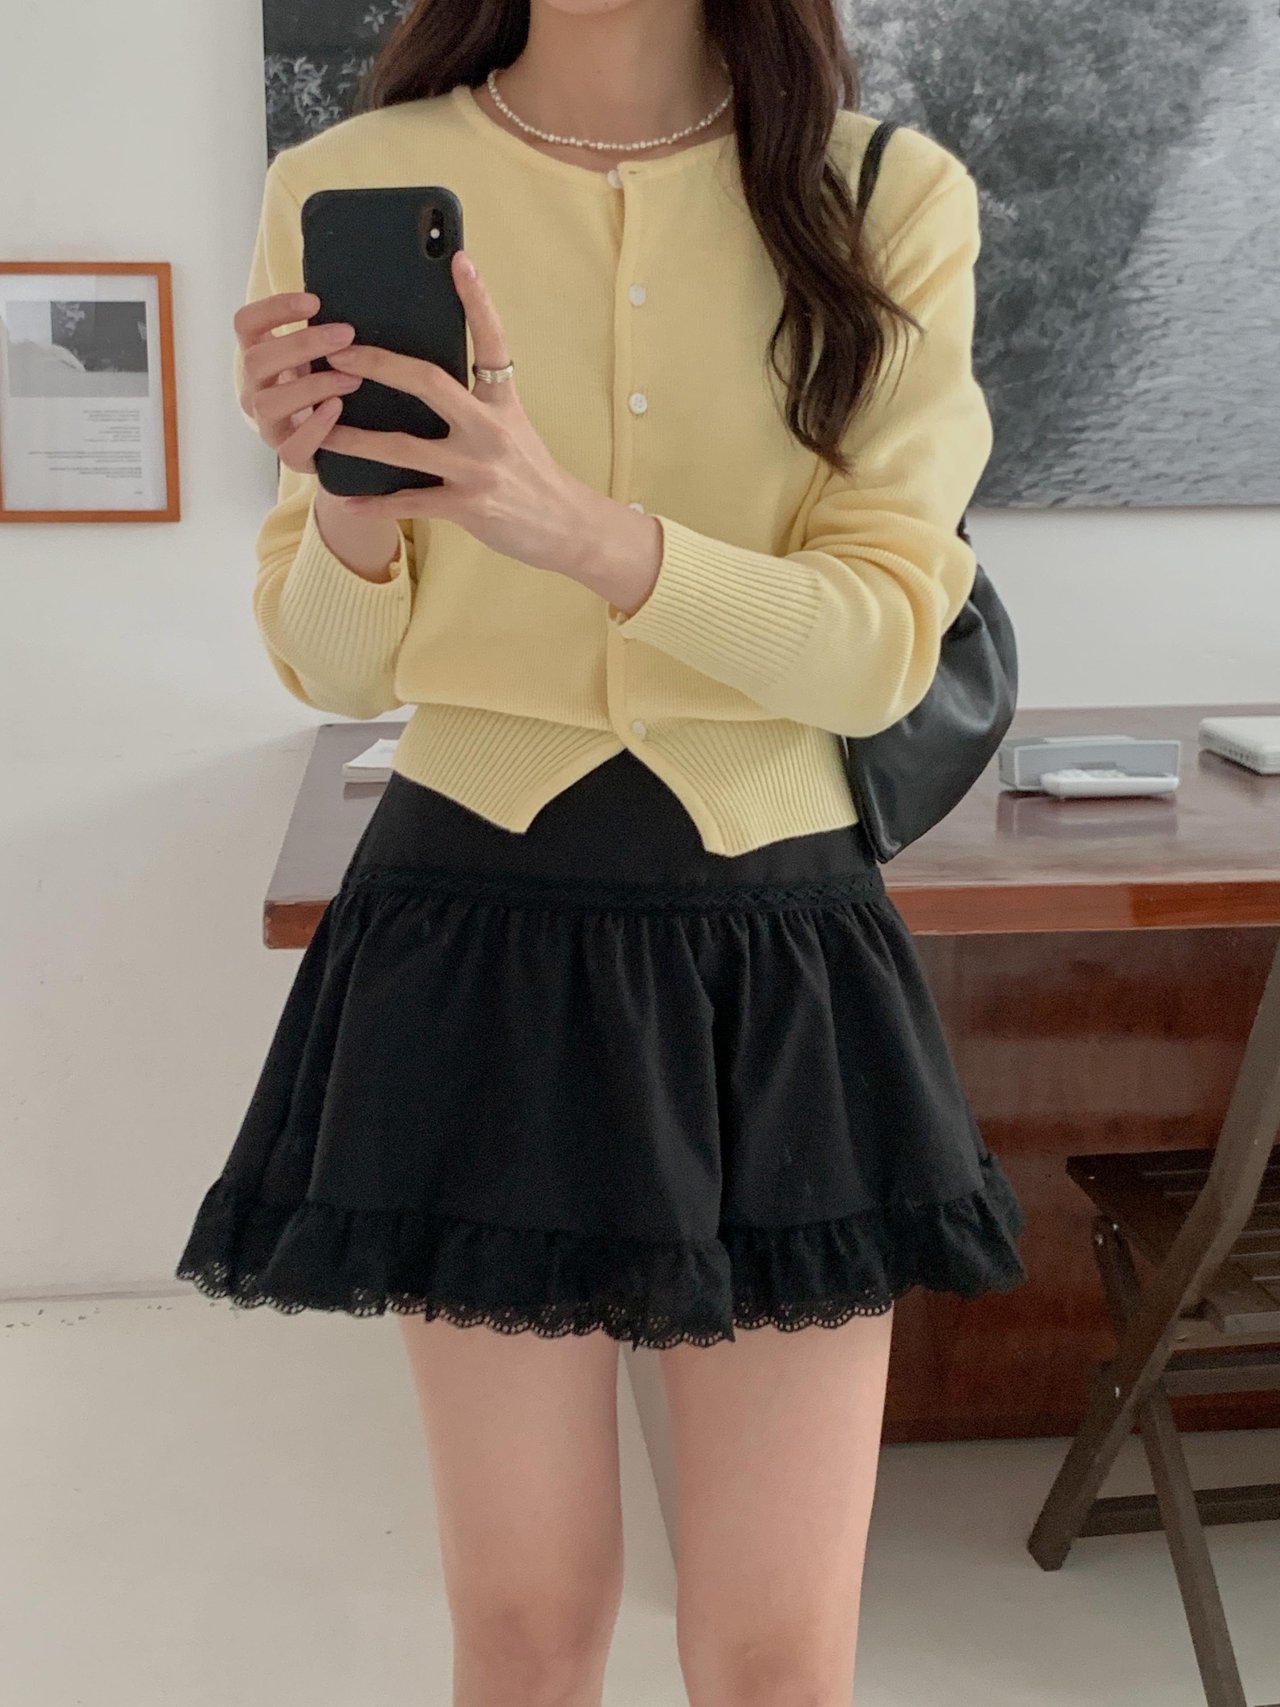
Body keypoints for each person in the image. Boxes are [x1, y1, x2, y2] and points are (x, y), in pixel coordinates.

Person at [177, 2, 1028, 1701]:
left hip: (777, 946)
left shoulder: (884, 194)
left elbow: (880, 646)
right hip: (468, 931)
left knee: (780, 1657)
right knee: (525, 1632)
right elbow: (332, 668)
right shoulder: (348, 180)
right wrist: (348, 500)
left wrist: (573, 530)